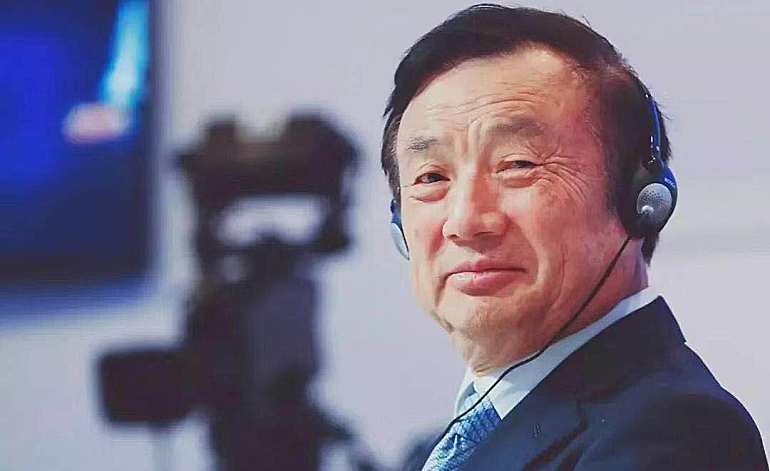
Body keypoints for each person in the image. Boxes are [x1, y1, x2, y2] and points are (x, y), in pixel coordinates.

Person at [380, 5, 767, 470]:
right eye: (431, 177)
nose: (464, 220)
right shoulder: (446, 447)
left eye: (518, 165)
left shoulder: (677, 434)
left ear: (639, 201)